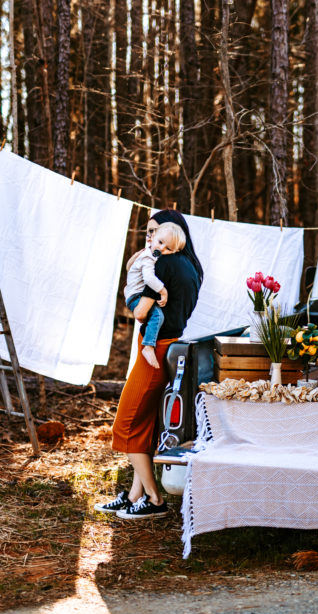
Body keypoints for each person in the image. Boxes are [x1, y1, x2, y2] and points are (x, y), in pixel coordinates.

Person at [95, 209, 204, 519]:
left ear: (173, 236)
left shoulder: (163, 264)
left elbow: (141, 312)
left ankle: (154, 500)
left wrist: (139, 300)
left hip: (155, 350)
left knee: (126, 425)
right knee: (144, 425)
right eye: (148, 232)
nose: (150, 238)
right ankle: (134, 497)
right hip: (174, 348)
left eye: (155, 232)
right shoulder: (192, 268)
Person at [123, 221, 187, 369]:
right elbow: (149, 278)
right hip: (135, 296)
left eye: (168, 248)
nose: (161, 248)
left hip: (136, 293)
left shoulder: (154, 256)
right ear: (152, 237)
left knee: (157, 315)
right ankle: (148, 346)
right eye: (160, 242)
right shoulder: (148, 257)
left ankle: (148, 344)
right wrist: (163, 290)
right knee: (158, 315)